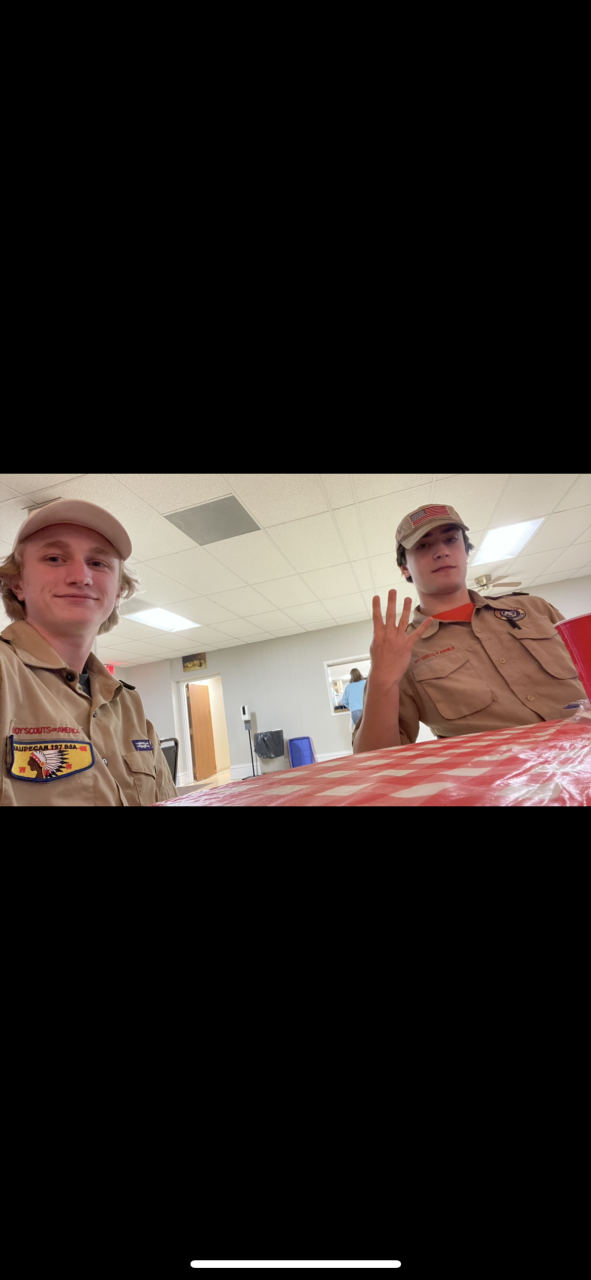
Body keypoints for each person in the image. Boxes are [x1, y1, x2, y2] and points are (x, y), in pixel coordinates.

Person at [352, 502, 587, 753]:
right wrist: (381, 681)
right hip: (502, 773)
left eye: (451, 539)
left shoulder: (535, 609)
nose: (442, 551)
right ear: (404, 568)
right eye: (423, 545)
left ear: (465, 551)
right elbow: (373, 759)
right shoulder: (403, 650)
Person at [0, 498, 178, 805]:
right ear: (18, 584)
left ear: (118, 592)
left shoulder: (129, 704)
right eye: (54, 558)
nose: (81, 577)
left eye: (98, 563)